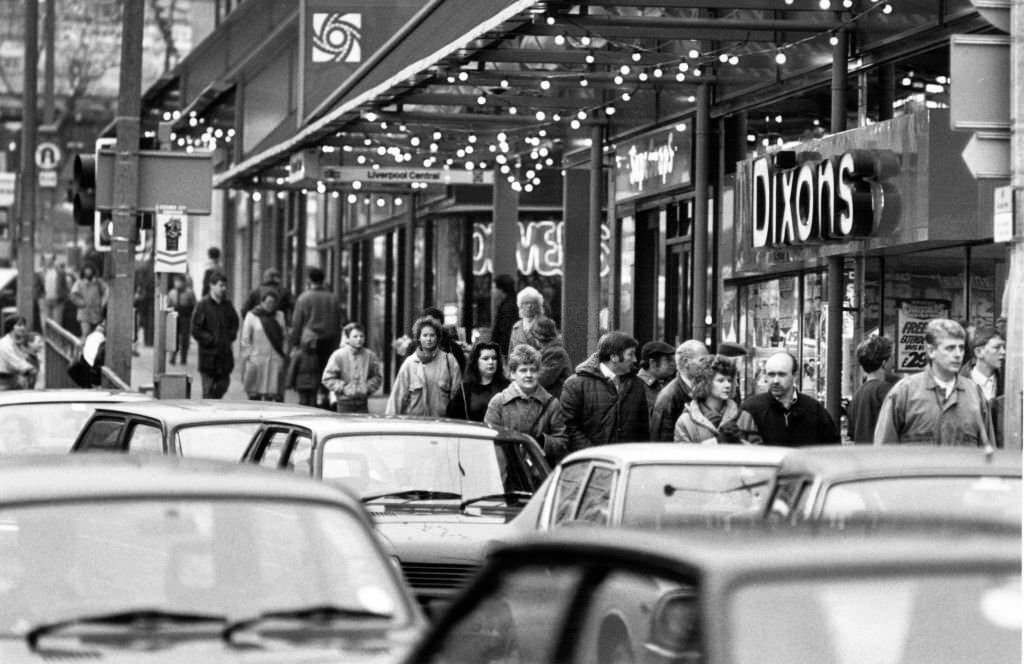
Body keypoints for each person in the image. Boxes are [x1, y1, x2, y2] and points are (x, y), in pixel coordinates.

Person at [874, 318, 994, 447]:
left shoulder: (975, 396)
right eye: (950, 348)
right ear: (931, 351)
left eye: (961, 348)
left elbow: (988, 453)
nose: (958, 354)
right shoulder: (905, 393)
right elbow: (884, 452)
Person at [559, 331, 649, 451]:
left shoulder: (637, 385)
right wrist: (593, 454)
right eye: (630, 354)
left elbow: (643, 429)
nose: (635, 360)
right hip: (589, 462)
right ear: (614, 357)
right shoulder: (575, 384)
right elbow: (569, 427)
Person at [736, 351, 841, 446]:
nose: (775, 380)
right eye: (771, 375)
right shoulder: (750, 410)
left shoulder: (815, 411)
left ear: (794, 376)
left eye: (781, 374)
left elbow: (832, 451)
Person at [485, 344, 568, 465]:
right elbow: (488, 441)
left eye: (533, 370)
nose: (529, 375)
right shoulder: (498, 403)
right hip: (507, 472)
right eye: (523, 370)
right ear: (513, 374)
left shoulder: (551, 404)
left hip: (539, 473)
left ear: (539, 373)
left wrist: (543, 441)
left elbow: (562, 442)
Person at [386, 316, 462, 416]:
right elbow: (397, 397)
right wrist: (390, 422)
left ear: (438, 337)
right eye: (425, 335)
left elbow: (458, 396)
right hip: (416, 425)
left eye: (432, 335)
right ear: (419, 338)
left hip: (443, 423)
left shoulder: (449, 361)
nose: (428, 339)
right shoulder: (409, 364)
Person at [288, 267, 341, 407]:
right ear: (323, 280)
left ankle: (312, 401)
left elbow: (297, 323)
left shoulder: (304, 298)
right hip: (329, 340)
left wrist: (293, 343)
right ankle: (325, 398)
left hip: (309, 342)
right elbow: (338, 322)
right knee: (327, 371)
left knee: (310, 372)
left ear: (309, 280)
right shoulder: (333, 298)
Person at [674, 355, 745, 444]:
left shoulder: (740, 416)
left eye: (729, 380)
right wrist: (717, 441)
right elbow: (683, 456)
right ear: (706, 383)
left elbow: (753, 451)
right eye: (721, 380)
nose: (728, 385)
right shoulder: (686, 421)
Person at [191, 271, 240, 399]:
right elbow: (196, 329)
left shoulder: (227, 305)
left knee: (223, 384)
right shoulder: (203, 305)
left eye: (225, 286)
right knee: (208, 393)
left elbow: (235, 323)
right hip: (208, 357)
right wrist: (210, 339)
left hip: (224, 356)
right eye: (221, 285)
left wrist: (230, 336)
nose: (224, 289)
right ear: (212, 286)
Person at [649, 340, 709, 442]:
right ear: (686, 362)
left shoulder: (706, 389)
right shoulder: (668, 397)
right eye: (702, 360)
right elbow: (662, 441)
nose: (707, 365)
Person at [322, 322, 383, 413]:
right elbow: (327, 378)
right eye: (355, 336)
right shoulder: (338, 355)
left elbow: (377, 377)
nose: (359, 339)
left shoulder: (370, 355)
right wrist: (343, 388)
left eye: (361, 336)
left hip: (362, 404)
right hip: (344, 404)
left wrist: (367, 387)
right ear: (347, 339)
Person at [960, 324, 1005, 448]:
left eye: (1003, 347)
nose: (1003, 352)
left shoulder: (1007, 384)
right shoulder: (959, 385)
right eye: (997, 347)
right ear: (979, 352)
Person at [240, 289, 288, 401]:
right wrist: (248, 356)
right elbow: (245, 338)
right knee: (254, 393)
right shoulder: (252, 316)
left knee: (274, 394)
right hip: (257, 359)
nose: (270, 306)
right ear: (262, 302)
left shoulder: (280, 315)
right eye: (268, 302)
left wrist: (285, 354)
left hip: (275, 360)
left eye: (273, 303)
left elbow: (284, 336)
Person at [847, 335, 895, 444]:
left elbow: (852, 434)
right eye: (892, 357)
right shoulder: (886, 391)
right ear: (884, 363)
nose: (894, 360)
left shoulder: (857, 395)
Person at [446, 341, 510, 422]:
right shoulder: (465, 389)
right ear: (476, 361)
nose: (491, 362)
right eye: (485, 359)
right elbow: (454, 418)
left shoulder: (507, 387)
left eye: (494, 358)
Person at [533, 317, 572, 399]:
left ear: (539, 337)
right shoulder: (551, 351)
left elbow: (542, 379)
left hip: (554, 403)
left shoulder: (555, 353)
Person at [70, 263, 108, 338]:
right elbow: (73, 295)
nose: (88, 272)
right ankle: (83, 348)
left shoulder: (98, 282)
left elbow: (106, 291)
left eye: (89, 270)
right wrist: (81, 303)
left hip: (96, 312)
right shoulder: (79, 282)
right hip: (84, 312)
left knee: (96, 334)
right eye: (86, 270)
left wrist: (102, 303)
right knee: (86, 332)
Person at [637, 340, 677, 410]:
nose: (673, 364)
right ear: (653, 363)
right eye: (668, 360)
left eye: (674, 360)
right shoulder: (636, 387)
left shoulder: (670, 382)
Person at [167, 274, 197, 365]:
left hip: (185, 317)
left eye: (179, 281)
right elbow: (168, 304)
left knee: (184, 338)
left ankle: (183, 358)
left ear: (184, 282)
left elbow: (194, 305)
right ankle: (172, 357)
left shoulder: (189, 292)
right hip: (175, 316)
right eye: (176, 281)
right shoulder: (172, 293)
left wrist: (193, 317)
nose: (178, 283)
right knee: (174, 337)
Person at [0, 317, 37, 390]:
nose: (23, 328)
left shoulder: (17, 343)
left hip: (14, 379)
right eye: (19, 325)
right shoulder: (4, 344)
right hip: (3, 382)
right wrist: (29, 368)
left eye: (24, 325)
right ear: (11, 327)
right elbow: (14, 361)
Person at [67, 321, 105, 388]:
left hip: (93, 372)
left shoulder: (97, 338)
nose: (99, 327)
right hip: (90, 372)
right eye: (101, 325)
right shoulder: (95, 337)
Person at [508, 286, 545, 354]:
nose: (529, 306)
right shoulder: (516, 327)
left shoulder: (544, 325)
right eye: (526, 303)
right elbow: (511, 353)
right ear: (521, 306)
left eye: (532, 303)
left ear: (538, 306)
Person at [491, 274, 518, 359]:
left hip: (506, 355)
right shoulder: (510, 303)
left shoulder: (508, 307)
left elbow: (506, 334)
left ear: (501, 290)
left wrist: (502, 355)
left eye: (494, 288)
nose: (492, 291)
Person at [41, 254, 69, 323]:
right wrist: (40, 298)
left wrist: (64, 297)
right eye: (46, 260)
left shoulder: (60, 272)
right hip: (45, 301)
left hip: (58, 301)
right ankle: (48, 334)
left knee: (57, 324)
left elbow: (65, 286)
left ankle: (55, 334)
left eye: (50, 260)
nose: (48, 262)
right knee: (46, 324)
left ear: (53, 260)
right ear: (44, 261)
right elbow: (37, 287)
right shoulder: (41, 272)